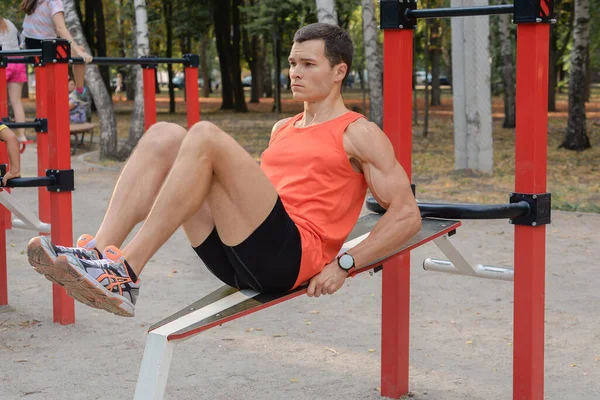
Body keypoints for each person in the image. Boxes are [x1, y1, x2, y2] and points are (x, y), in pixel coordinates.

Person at [26, 23, 422, 318]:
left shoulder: (358, 132)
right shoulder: (281, 128)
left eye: (308, 64)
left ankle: (125, 270)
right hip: (236, 256)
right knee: (165, 134)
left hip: (292, 257)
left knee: (205, 136)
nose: (295, 73)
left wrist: (344, 265)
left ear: (339, 71)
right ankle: (97, 254)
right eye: (291, 63)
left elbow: (406, 215)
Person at [20, 0, 93, 101]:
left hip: (29, 46)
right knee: (79, 53)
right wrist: (79, 51)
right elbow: (60, 29)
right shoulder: (54, 1)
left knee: (73, 50)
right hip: (44, 46)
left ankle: (76, 89)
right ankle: (79, 91)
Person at [0, 17, 28, 143]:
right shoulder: (8, 22)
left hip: (3, 62)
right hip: (18, 60)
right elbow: (21, 41)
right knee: (16, 101)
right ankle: (22, 135)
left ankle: (3, 133)